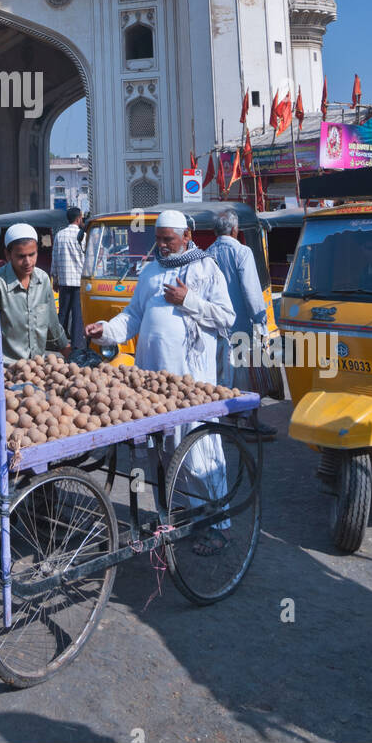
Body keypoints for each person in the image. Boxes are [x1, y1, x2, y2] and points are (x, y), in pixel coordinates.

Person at [85, 210, 235, 556]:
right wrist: (106, 329)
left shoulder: (205, 269)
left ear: (186, 236)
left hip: (191, 383)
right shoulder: (150, 271)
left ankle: (219, 526)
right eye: (159, 238)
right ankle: (179, 519)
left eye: (169, 239)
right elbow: (133, 317)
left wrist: (189, 301)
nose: (163, 245)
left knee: (198, 456)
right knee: (164, 458)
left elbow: (227, 318)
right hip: (153, 387)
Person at [207, 210, 275, 438]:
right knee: (249, 378)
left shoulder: (208, 255)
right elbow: (251, 291)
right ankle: (249, 423)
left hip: (217, 327)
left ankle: (229, 423)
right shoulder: (241, 252)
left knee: (224, 377)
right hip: (241, 326)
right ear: (234, 230)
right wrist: (260, 319)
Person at [0, 223, 71, 374]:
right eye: (21, 256)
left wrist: (73, 360)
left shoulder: (43, 279)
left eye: (32, 255)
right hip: (8, 371)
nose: (28, 262)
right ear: (8, 255)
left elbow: (53, 325)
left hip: (37, 369)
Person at [50, 207, 86, 353]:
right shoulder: (83, 235)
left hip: (64, 280)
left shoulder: (60, 235)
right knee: (78, 313)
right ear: (78, 219)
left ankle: (59, 341)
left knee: (63, 312)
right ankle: (77, 344)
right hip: (78, 281)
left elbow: (55, 258)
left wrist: (55, 278)